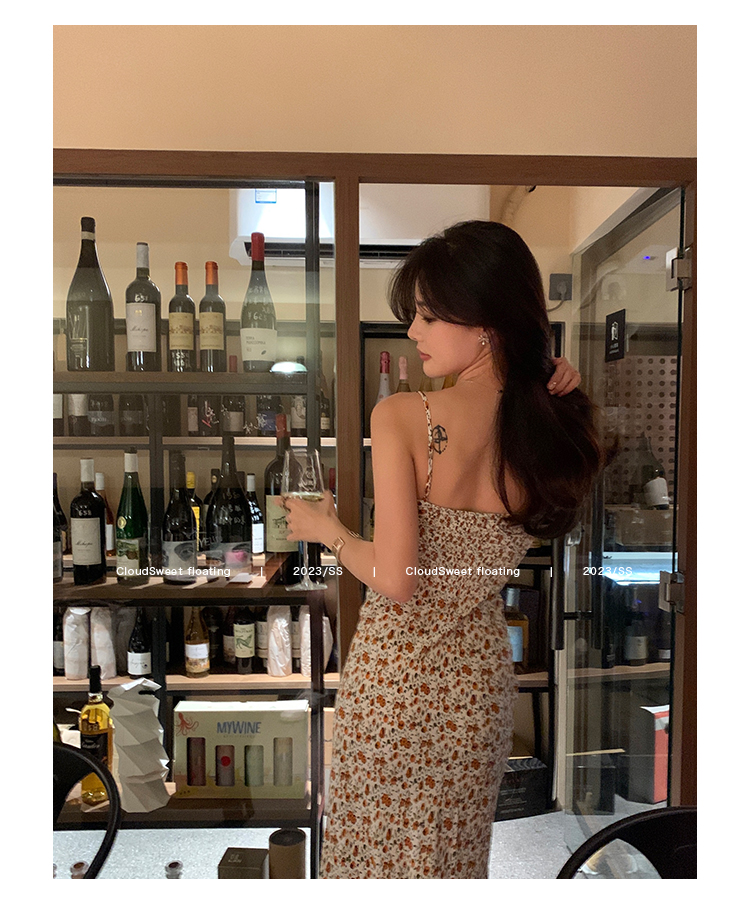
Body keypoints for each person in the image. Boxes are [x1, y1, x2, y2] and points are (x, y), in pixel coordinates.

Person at [283, 220, 603, 879]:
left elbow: (396, 578)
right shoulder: (550, 420)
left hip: (397, 679)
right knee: (452, 860)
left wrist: (329, 530)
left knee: (374, 859)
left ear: (485, 321)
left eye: (428, 315)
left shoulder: (403, 415)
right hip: (478, 685)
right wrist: (553, 373)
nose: (413, 331)